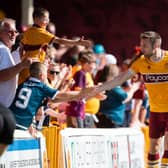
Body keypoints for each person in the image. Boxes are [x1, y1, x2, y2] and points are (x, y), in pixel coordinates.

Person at [90, 31, 168, 167]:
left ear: (156, 45)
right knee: (154, 148)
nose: (141, 48)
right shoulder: (141, 62)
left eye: (145, 45)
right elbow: (121, 78)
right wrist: (102, 87)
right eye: (141, 44)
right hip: (156, 111)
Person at [10, 62, 94, 131]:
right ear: (42, 76)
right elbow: (60, 96)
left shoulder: (22, 84)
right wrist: (84, 93)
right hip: (23, 124)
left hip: (10, 120)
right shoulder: (41, 87)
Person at [19, 7, 91, 84]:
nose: (47, 21)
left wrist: (22, 61)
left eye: (48, 19)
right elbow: (59, 40)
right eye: (45, 19)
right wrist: (77, 42)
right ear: (36, 19)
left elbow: (21, 48)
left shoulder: (27, 31)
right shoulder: (41, 32)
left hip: (26, 66)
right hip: (35, 68)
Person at [0, 18, 31, 107]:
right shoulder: (2, 50)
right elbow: (1, 76)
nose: (14, 34)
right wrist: (21, 66)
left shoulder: (5, 49)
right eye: (10, 31)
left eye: (15, 31)